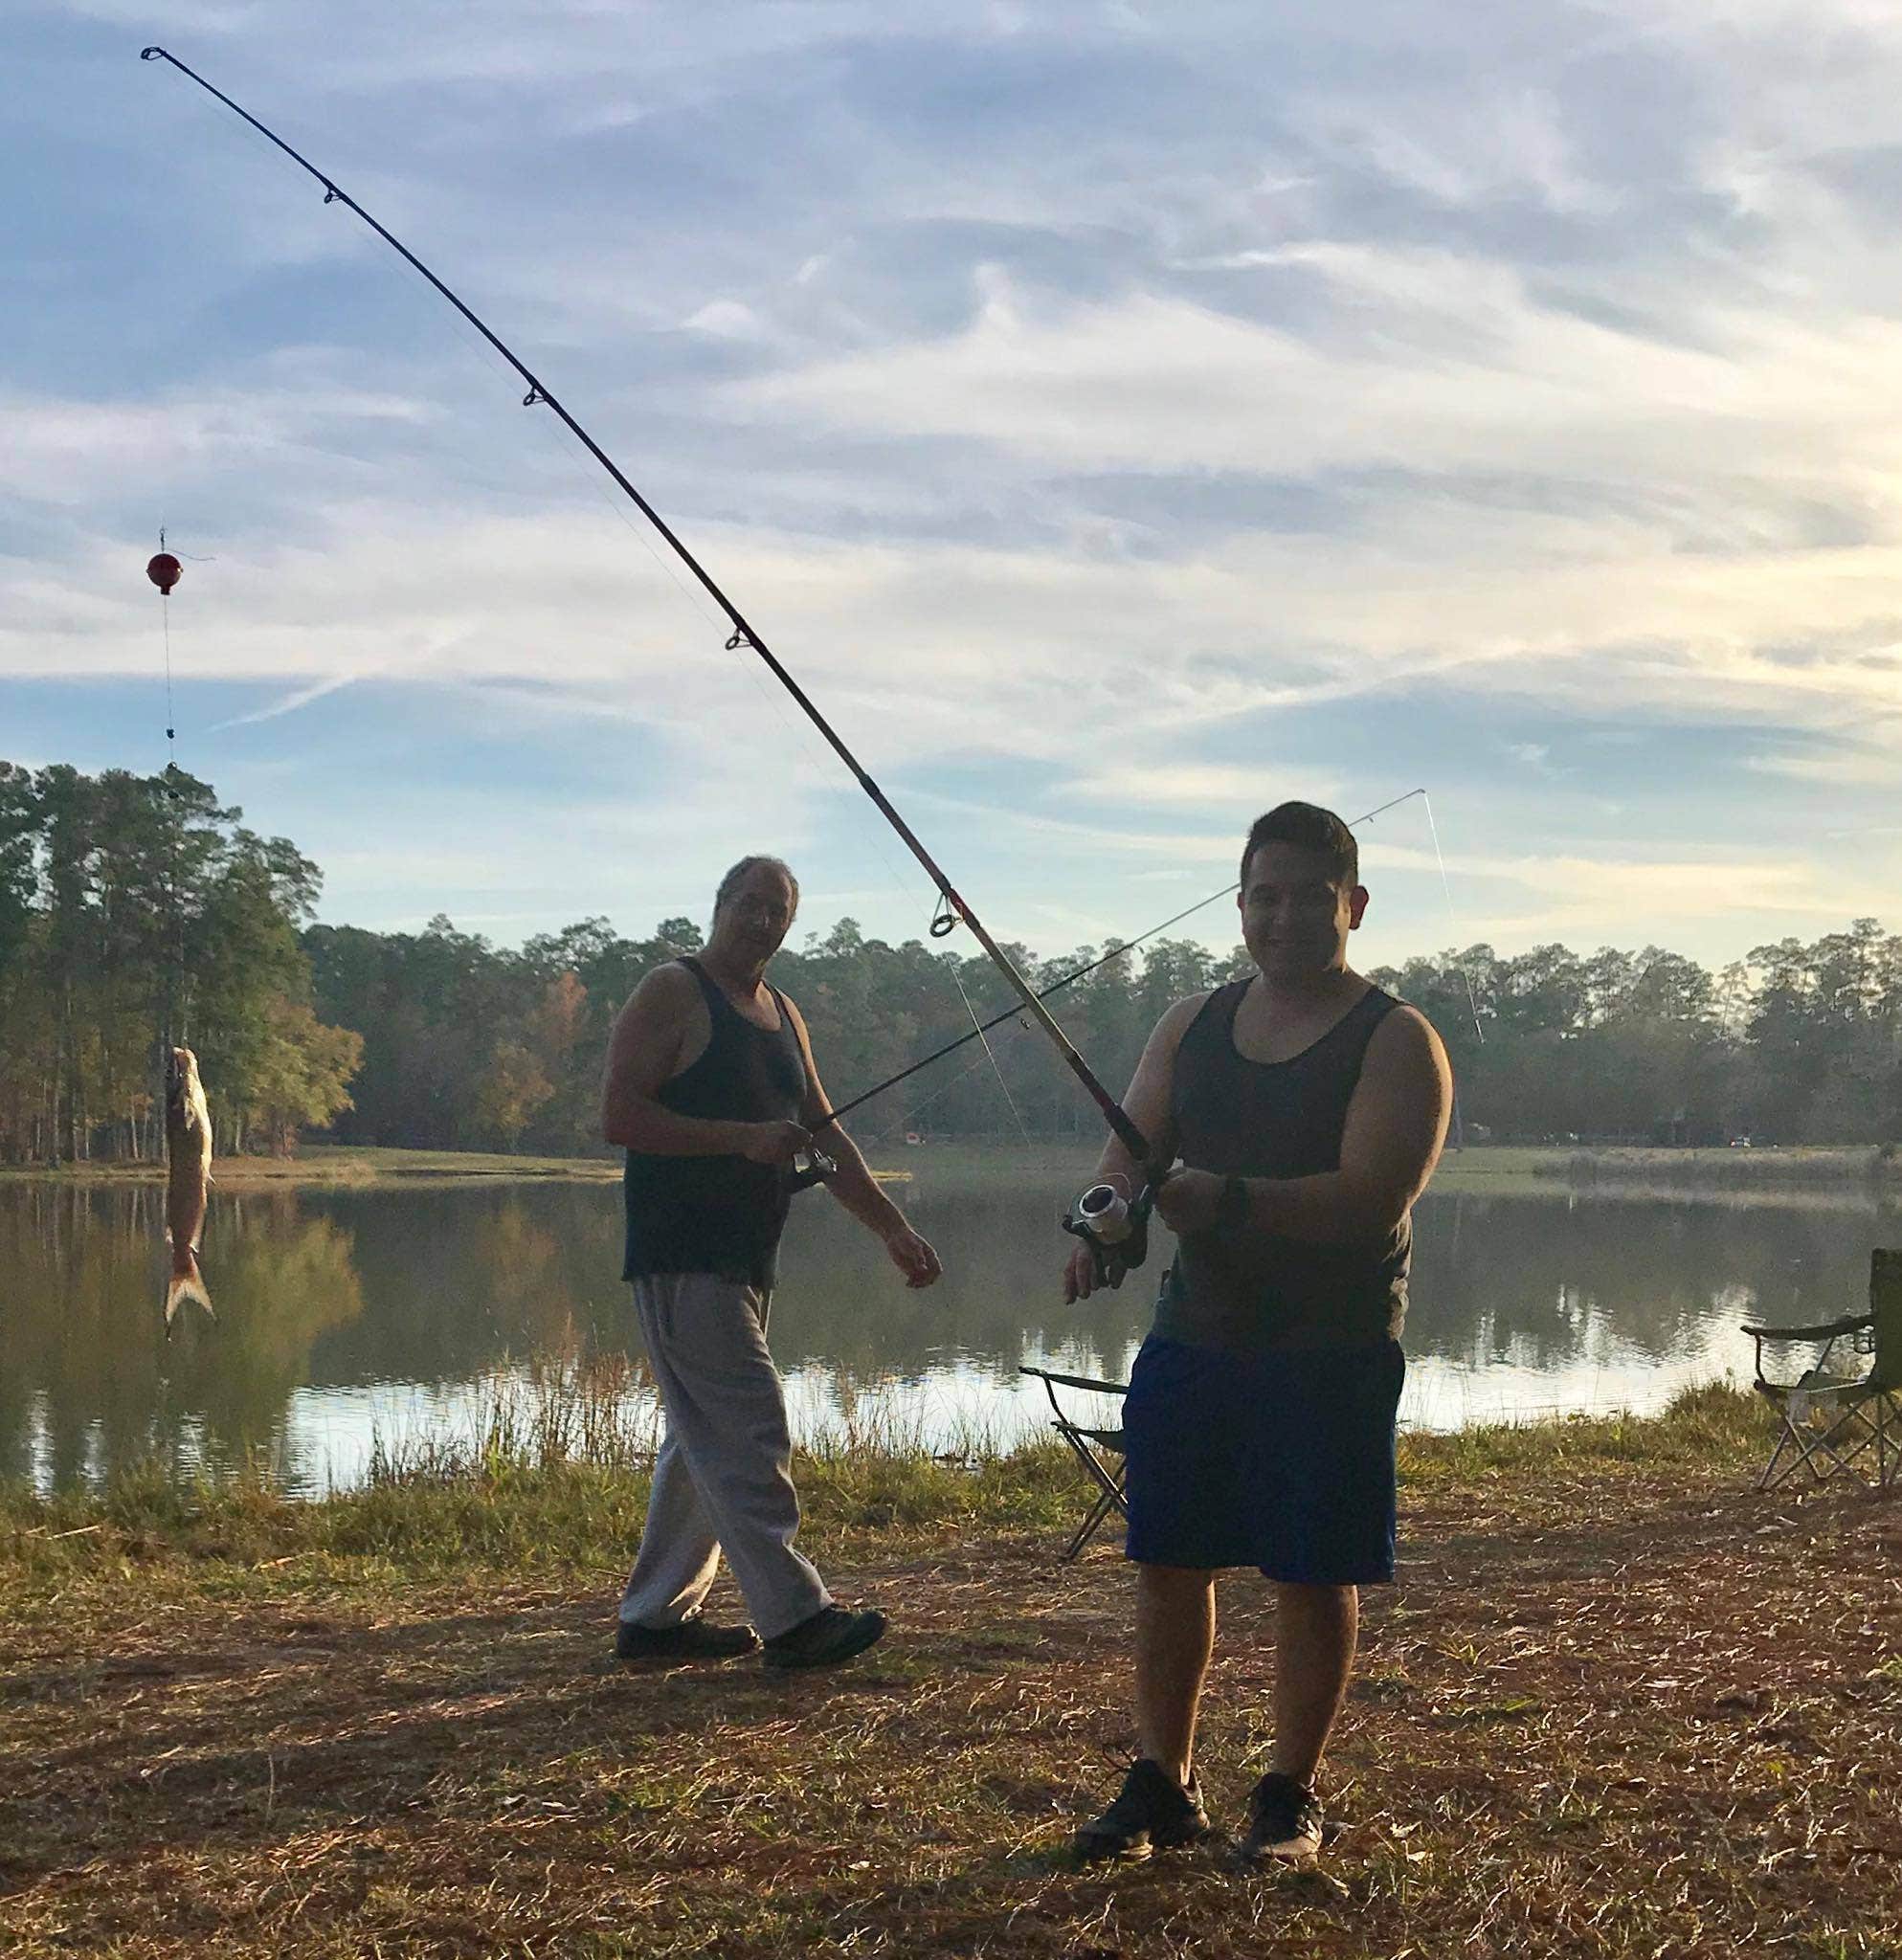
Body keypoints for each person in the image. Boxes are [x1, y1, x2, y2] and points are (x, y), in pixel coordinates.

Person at [1063, 801, 1451, 1865]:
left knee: (1310, 1571)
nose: (1280, 917)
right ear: (1239, 904)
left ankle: (1287, 1792)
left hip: (1329, 1347)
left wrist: (1222, 1199)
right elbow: (1129, 1155)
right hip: (1197, 1335)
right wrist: (1106, 1216)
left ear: (1353, 905)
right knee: (1165, 1558)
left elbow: (1370, 1197)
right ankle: (1162, 1779)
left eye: (1306, 897)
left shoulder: (1397, 1039)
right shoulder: (1188, 1022)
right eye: (1262, 896)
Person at [601, 855, 942, 1669]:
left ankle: (653, 1620)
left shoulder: (784, 1014)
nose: (760, 921)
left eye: (776, 911)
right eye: (747, 904)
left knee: (700, 1442)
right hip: (681, 1249)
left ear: (790, 925)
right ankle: (795, 1619)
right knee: (750, 1426)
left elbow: (823, 1130)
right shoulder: (672, 990)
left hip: (751, 1251)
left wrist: (892, 1230)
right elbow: (619, 1116)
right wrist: (741, 1138)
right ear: (717, 906)